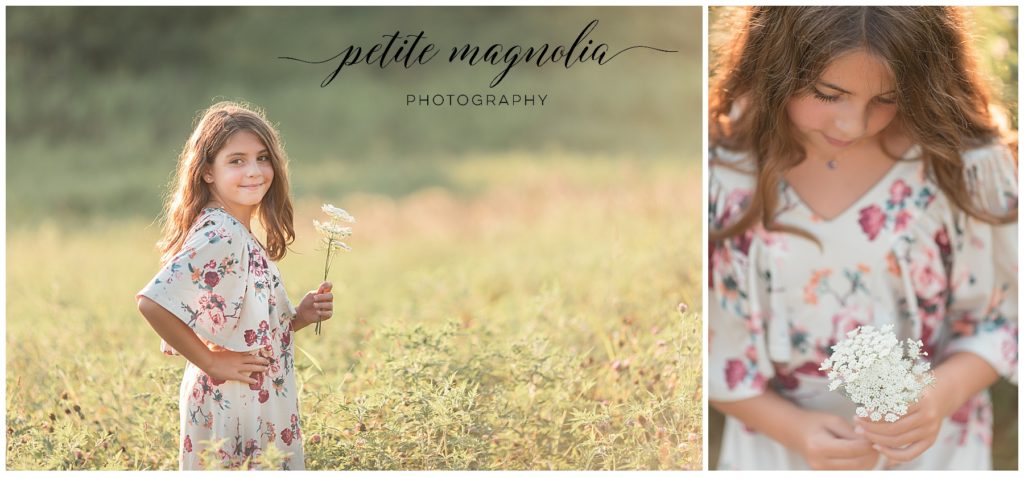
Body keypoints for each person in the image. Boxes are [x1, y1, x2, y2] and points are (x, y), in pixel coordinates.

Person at [707, 6, 1017, 470]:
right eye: (828, 94)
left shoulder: (960, 165)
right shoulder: (724, 174)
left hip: (932, 450)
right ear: (775, 68)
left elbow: (1006, 318)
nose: (853, 124)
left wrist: (937, 398)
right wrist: (794, 430)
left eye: (886, 98)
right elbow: (711, 349)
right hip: (778, 451)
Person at [136, 101, 335, 470]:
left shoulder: (235, 231)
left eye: (262, 157)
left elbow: (240, 328)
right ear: (207, 171)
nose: (255, 171)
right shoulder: (221, 232)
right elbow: (152, 302)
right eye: (237, 160)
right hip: (235, 406)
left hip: (254, 402)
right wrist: (211, 360)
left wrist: (298, 318)